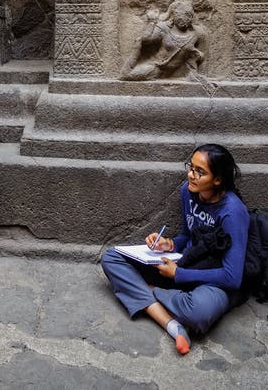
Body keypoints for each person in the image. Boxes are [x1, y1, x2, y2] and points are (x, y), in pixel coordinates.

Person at [101, 144, 249, 355]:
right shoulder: (188, 192)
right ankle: (172, 325)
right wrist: (169, 244)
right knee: (112, 258)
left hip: (213, 279)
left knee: (198, 312)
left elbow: (233, 277)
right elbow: (187, 236)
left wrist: (178, 274)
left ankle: (148, 290)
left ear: (217, 180)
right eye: (191, 167)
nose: (191, 175)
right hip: (185, 262)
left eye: (200, 172)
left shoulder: (233, 212)